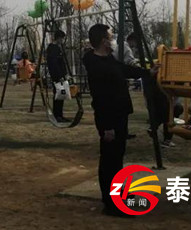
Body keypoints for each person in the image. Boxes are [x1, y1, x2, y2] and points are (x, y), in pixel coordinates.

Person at [83, 24, 153, 217]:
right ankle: (112, 203)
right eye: (110, 37)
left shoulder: (109, 59)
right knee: (110, 161)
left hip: (120, 115)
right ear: (104, 41)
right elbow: (101, 98)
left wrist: (148, 73)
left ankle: (119, 195)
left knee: (117, 159)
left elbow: (124, 70)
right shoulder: (96, 65)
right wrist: (107, 127)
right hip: (109, 120)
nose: (113, 40)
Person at [46, 30, 69, 122]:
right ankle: (57, 114)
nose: (62, 40)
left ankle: (59, 114)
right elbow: (54, 64)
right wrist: (59, 75)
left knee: (61, 94)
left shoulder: (57, 48)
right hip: (57, 76)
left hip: (59, 75)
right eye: (62, 38)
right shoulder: (53, 49)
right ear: (59, 38)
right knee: (58, 94)